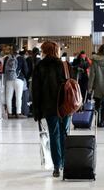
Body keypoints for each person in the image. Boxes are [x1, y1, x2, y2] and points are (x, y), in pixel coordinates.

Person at [32, 41, 71, 177]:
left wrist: (37, 111)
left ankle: (56, 166)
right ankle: (66, 163)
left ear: (44, 51)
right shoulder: (63, 65)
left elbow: (36, 91)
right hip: (64, 105)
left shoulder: (39, 67)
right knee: (64, 133)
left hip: (49, 106)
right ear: (56, 50)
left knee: (54, 134)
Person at [4, 45, 29, 118]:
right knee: (18, 97)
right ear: (18, 50)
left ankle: (10, 113)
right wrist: (24, 77)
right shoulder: (21, 58)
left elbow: (3, 71)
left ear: (12, 50)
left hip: (9, 79)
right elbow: (26, 70)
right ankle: (18, 113)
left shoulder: (7, 58)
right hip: (19, 79)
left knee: (9, 97)